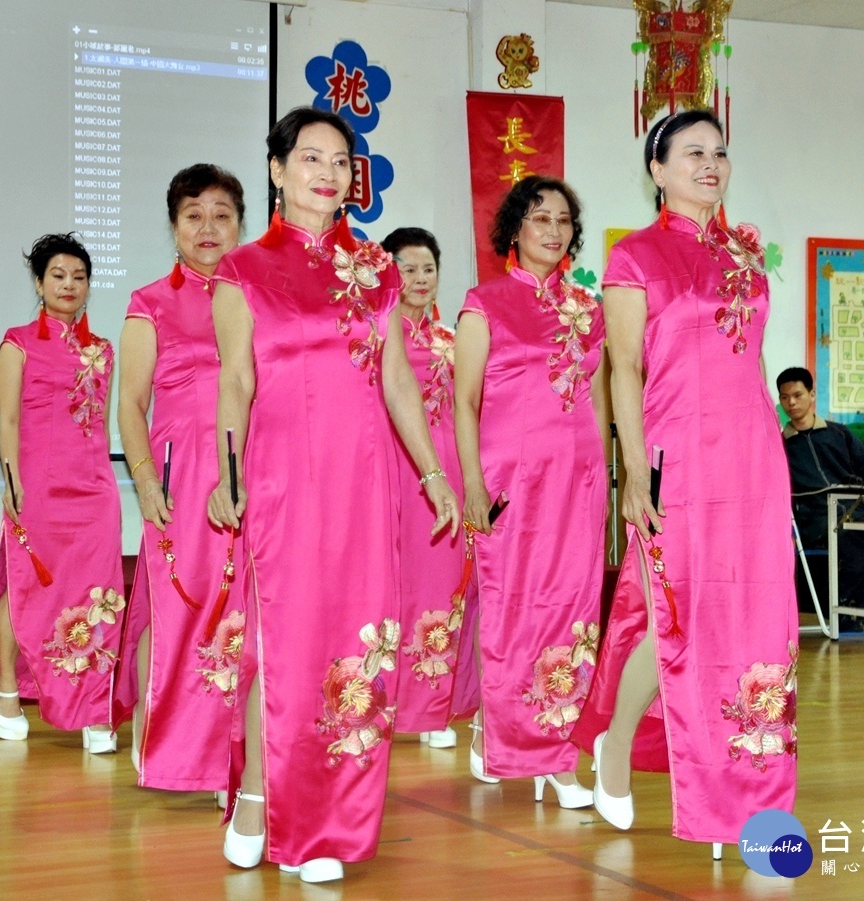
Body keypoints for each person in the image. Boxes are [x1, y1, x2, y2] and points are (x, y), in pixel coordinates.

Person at [207, 107, 460, 884]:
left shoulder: (378, 270)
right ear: (278, 171)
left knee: (358, 645)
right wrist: (227, 474)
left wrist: (432, 471)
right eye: (309, 157)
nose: (327, 170)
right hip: (283, 476)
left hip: (363, 479)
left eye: (340, 160)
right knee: (286, 642)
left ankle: (328, 823)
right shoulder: (243, 270)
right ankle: (258, 794)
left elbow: (397, 381)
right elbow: (238, 380)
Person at [570, 111, 798, 849]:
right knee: (680, 612)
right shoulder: (633, 257)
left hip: (752, 454)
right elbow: (624, 368)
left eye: (720, 152)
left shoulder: (745, 260)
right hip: (676, 456)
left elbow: (752, 365)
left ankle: (752, 792)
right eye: (693, 152)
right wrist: (633, 469)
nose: (710, 163)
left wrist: (774, 442)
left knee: (757, 619)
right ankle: (617, 744)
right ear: (658, 170)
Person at [453, 175, 607, 809]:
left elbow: (600, 404)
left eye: (564, 220)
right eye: (539, 217)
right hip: (510, 482)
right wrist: (470, 484)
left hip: (580, 481)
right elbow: (464, 402)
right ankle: (509, 734)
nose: (552, 228)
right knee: (515, 610)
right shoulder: (483, 301)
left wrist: (611, 479)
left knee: (573, 614)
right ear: (514, 228)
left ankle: (556, 753)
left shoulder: (591, 310)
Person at [115, 164, 246, 797]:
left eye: (222, 214)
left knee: (244, 616)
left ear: (241, 225)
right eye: (194, 214)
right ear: (173, 227)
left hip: (249, 479)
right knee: (178, 611)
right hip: (179, 483)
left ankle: (234, 758)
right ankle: (165, 746)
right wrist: (145, 482)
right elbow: (130, 405)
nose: (208, 227)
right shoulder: (150, 302)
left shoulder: (257, 296)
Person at [0, 233, 123, 754]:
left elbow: (100, 428)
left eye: (79, 277)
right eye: (58, 275)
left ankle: (93, 707)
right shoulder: (16, 343)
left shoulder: (102, 350)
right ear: (39, 282)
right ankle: (8, 689)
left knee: (98, 597)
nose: (69, 285)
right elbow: (8, 421)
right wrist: (12, 484)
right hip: (36, 488)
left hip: (93, 493)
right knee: (23, 586)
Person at [381, 226, 474, 750]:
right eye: (408, 268)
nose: (419, 278)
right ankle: (383, 697)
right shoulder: (376, 335)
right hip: (391, 469)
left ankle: (428, 707)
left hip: (442, 472)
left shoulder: (451, 341)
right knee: (388, 586)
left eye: (428, 269)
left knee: (438, 589)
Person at [776, 366, 864, 627]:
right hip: (817, 522)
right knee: (860, 556)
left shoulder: (840, 434)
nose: (791, 403)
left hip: (857, 516)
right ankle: (844, 610)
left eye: (797, 395)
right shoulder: (779, 445)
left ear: (811, 394)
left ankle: (852, 606)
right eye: (785, 397)